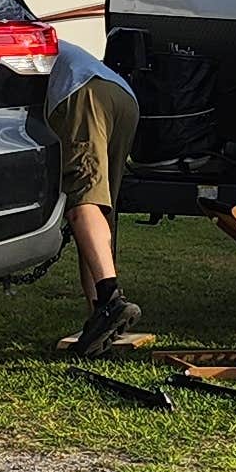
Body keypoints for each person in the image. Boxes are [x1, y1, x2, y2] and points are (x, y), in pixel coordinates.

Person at [47, 36, 140, 355]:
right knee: (98, 212)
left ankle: (110, 300)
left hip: (84, 94)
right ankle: (99, 319)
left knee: (82, 202)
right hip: (123, 96)